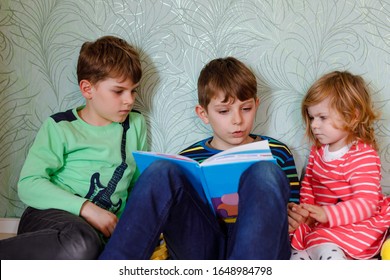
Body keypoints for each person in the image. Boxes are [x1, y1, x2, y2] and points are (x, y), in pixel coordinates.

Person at [99, 57, 300, 260]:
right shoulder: (188, 158)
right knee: (162, 170)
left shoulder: (278, 151)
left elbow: (294, 209)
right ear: (203, 114)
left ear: (256, 105)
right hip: (202, 246)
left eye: (246, 108)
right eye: (224, 111)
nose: (237, 120)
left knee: (264, 171)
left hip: (257, 246)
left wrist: (293, 216)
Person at [0, 35, 147, 259]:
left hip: (98, 230)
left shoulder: (135, 124)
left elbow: (137, 183)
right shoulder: (60, 127)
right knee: (81, 243)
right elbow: (29, 184)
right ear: (88, 89)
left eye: (133, 90)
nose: (129, 100)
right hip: (50, 219)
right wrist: (87, 208)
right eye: (119, 91)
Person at [289, 71, 390, 260]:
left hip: (354, 224)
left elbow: (366, 203)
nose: (314, 125)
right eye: (311, 118)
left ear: (352, 116)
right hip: (321, 222)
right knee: (296, 255)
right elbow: (309, 183)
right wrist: (306, 210)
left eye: (322, 117)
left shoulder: (362, 154)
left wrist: (328, 214)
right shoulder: (318, 151)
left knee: (329, 254)